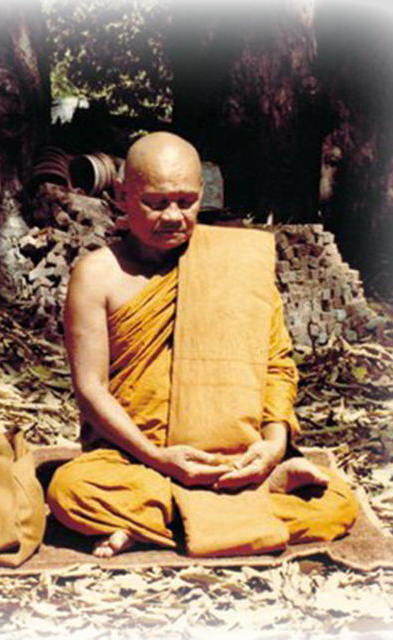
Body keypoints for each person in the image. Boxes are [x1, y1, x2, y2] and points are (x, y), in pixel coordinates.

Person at [47, 132, 357, 558]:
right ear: (121, 194)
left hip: (233, 458)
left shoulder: (233, 262)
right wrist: (158, 458)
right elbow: (90, 388)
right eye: (156, 203)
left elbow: (276, 366)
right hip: (133, 457)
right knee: (70, 493)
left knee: (337, 504)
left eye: (187, 201)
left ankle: (158, 519)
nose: (174, 216)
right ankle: (240, 507)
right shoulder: (98, 274)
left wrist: (272, 446)